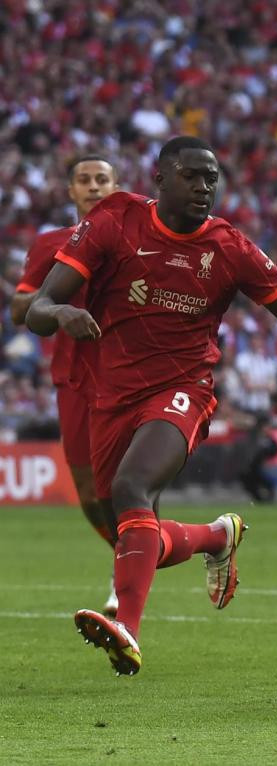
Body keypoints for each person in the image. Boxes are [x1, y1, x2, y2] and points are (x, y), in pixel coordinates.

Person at [27, 136, 277, 676]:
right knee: (132, 530)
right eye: (192, 175)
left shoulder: (229, 247)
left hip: (183, 389)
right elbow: (39, 307)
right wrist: (62, 314)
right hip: (111, 395)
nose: (204, 187)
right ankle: (216, 536)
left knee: (129, 490)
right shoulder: (115, 221)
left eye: (212, 178)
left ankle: (128, 630)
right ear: (160, 179)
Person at [10, 155, 121, 617]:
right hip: (74, 379)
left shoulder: (136, 240)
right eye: (84, 180)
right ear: (71, 191)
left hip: (127, 375)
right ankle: (129, 553)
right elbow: (21, 309)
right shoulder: (51, 244)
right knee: (90, 493)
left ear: (115, 188)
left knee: (126, 483)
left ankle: (126, 574)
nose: (93, 186)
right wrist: (54, 307)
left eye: (102, 179)